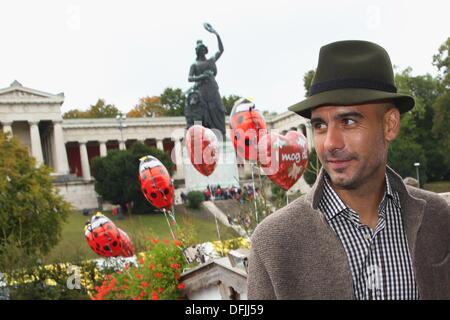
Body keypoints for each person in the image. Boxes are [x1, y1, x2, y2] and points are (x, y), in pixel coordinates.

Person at [248, 40, 449, 300]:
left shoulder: (438, 218)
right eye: (319, 125)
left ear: (389, 124)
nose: (330, 143)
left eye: (348, 121)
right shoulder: (274, 242)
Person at [188, 23, 226, 139]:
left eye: (204, 49)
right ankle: (209, 136)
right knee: (206, 114)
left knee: (219, 109)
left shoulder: (211, 60)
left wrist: (216, 34)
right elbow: (190, 78)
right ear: (198, 51)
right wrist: (202, 76)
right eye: (201, 49)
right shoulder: (194, 64)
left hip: (213, 89)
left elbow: (221, 50)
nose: (203, 51)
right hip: (202, 91)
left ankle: (221, 134)